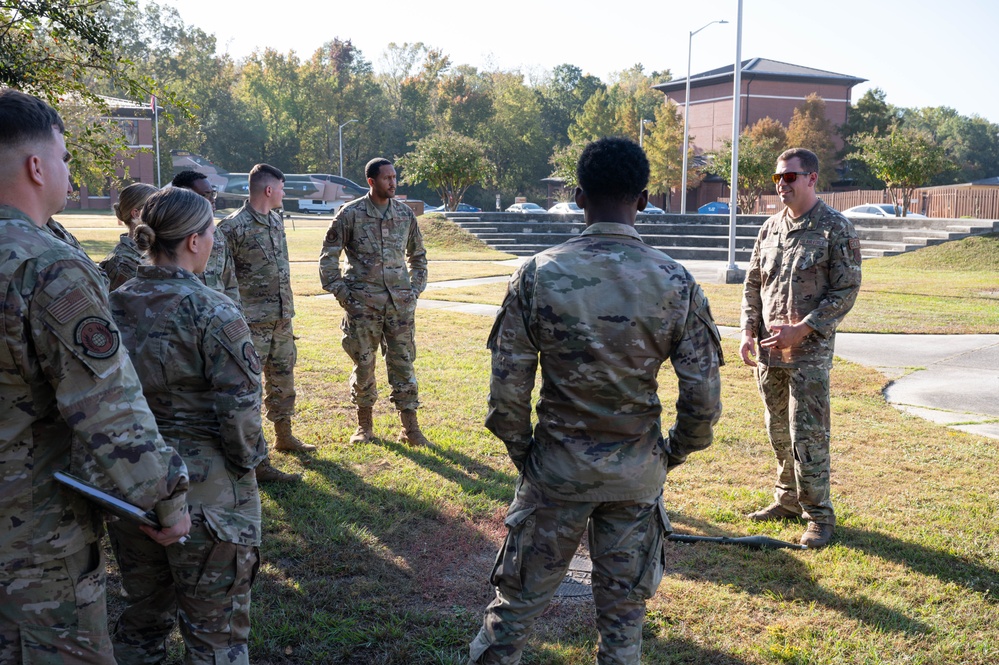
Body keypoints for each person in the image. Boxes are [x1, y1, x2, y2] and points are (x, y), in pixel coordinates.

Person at [468, 137, 723, 664]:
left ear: (579, 197)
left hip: (556, 472)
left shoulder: (539, 273)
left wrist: (529, 456)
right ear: (645, 199)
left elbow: (507, 390)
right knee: (623, 625)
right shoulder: (676, 281)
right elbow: (702, 400)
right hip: (636, 476)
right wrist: (666, 455)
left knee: (513, 612)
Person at [0, 89, 190, 663]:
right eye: (62, 157)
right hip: (29, 538)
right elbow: (108, 402)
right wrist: (165, 498)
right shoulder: (45, 264)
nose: (66, 170)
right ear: (37, 166)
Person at [107, 187, 266, 664]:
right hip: (209, 494)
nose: (215, 240)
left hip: (131, 484)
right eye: (212, 231)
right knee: (216, 635)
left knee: (144, 618)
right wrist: (245, 468)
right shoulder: (214, 310)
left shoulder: (111, 304)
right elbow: (240, 413)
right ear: (195, 241)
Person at [740, 147, 862, 549]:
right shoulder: (770, 228)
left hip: (807, 354)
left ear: (811, 178)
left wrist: (804, 328)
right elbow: (754, 283)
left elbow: (846, 290)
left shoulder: (834, 228)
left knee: (807, 434)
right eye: (777, 178)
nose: (781, 185)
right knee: (777, 430)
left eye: (789, 177)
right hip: (769, 352)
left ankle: (818, 516)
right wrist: (746, 331)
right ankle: (787, 500)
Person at [319, 157, 430, 446]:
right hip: (363, 307)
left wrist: (413, 290)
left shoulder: (405, 215)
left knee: (403, 364)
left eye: (395, 177)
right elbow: (328, 259)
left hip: (399, 307)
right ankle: (364, 426)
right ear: (372, 181)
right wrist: (346, 297)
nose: (393, 183)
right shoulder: (350, 214)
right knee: (364, 365)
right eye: (386, 178)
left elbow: (418, 258)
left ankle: (411, 429)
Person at [219, 163, 311, 483]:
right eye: (282, 188)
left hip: (282, 319)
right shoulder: (232, 228)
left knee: (283, 382)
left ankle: (284, 436)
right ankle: (257, 461)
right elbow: (222, 278)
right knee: (249, 391)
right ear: (269, 190)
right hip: (250, 324)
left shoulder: (276, 220)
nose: (285, 194)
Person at [171, 170, 241, 307]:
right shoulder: (171, 235)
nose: (212, 200)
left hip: (219, 314)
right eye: (205, 195)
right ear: (184, 196)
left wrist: (235, 312)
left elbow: (229, 280)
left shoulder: (217, 234)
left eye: (212, 194)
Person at [99, 182, 159, 290]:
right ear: (136, 213)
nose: (162, 213)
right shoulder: (122, 263)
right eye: (156, 208)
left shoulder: (151, 250)